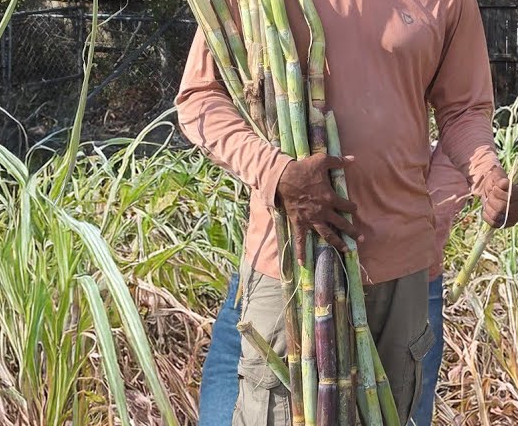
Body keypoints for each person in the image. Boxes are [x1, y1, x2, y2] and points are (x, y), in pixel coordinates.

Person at [176, 0, 518, 426]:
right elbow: (200, 99)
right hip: (289, 255)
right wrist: (280, 174)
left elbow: (463, 112)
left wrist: (486, 174)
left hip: (403, 264)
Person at [197, 145, 471, 426]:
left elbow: (464, 114)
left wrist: (429, 224)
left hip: (403, 279)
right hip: (279, 272)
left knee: (396, 411)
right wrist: (276, 172)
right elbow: (207, 114)